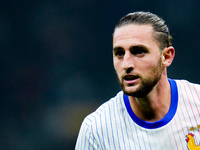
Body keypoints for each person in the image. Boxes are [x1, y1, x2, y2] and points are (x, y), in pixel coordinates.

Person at [75, 11, 200, 150]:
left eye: (138, 52)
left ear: (166, 57)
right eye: (119, 53)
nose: (126, 64)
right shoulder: (95, 131)